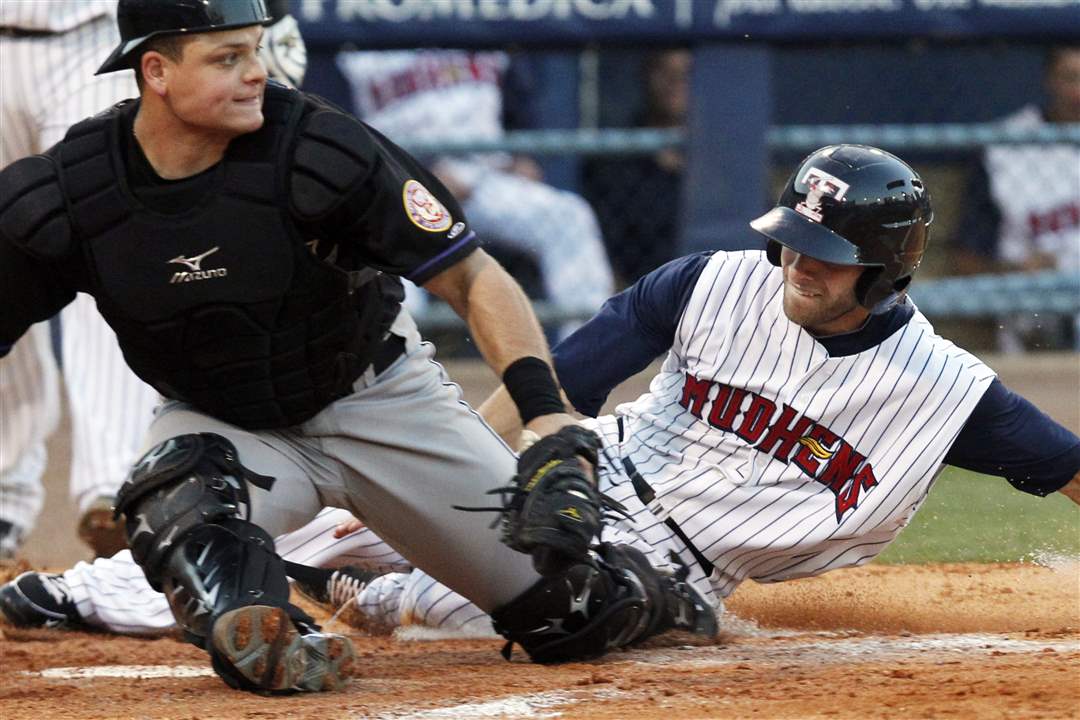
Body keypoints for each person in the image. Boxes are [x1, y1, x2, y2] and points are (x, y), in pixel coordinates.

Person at [8, 144, 1079, 641]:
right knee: (356, 517)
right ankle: (80, 594)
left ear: (889, 266)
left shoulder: (947, 391)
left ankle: (320, 595)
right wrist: (436, 492)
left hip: (668, 569)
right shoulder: (710, 283)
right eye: (794, 242)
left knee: (448, 606)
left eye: (827, 256)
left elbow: (1069, 468)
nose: (798, 264)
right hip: (588, 476)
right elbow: (556, 378)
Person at [0, 0, 714, 695]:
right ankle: (258, 631)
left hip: (378, 401)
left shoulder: (315, 147)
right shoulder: (76, 191)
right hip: (225, 421)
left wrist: (546, 414)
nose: (257, 72)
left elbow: (472, 278)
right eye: (228, 58)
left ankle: (655, 595)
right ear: (156, 71)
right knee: (176, 504)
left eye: (255, 50)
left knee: (572, 618)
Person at [0, 0, 306, 560]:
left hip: (94, 38)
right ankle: (2, 502)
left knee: (105, 236)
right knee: (7, 261)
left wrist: (272, 10)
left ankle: (114, 489)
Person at [335, 48, 616, 335]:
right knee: (386, 258)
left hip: (486, 182)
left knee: (568, 216)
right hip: (402, 190)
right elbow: (341, 132)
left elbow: (519, 111)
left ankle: (588, 353)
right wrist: (417, 176)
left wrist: (525, 157)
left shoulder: (482, 23)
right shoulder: (357, 38)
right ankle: (404, 366)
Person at [952, 45, 1080, 352]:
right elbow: (965, 260)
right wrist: (1017, 272)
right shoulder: (1005, 146)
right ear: (1050, 80)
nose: (1079, 91)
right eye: (1070, 78)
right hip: (1037, 308)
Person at [583, 49, 691, 286]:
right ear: (645, 75)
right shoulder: (614, 162)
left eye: (686, 73)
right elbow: (601, 255)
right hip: (639, 298)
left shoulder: (722, 161)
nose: (675, 82)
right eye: (664, 71)